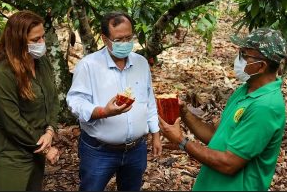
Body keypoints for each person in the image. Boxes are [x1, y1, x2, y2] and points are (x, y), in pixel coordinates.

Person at [158, 28, 287, 191]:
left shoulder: (265, 107)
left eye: (244, 54)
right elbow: (215, 136)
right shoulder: (246, 90)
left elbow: (229, 163)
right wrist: (184, 113)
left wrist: (181, 142)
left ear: (261, 66)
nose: (239, 58)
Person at [66, 11, 162, 191]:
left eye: (129, 37)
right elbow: (75, 102)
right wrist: (103, 111)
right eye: (119, 40)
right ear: (104, 38)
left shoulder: (140, 63)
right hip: (99, 150)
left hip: (136, 148)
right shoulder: (88, 65)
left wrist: (155, 133)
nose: (125, 44)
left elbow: (148, 99)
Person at [0, 10, 60, 191]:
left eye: (43, 37)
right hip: (12, 152)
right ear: (18, 41)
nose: (42, 43)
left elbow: (53, 99)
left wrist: (50, 130)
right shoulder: (3, 74)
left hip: (38, 145)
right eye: (35, 40)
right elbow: (11, 122)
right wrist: (45, 148)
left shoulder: (41, 62)